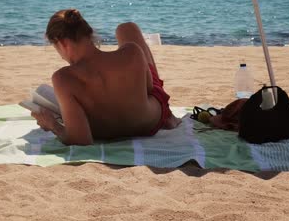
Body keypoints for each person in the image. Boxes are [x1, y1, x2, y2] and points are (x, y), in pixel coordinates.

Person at [31, 9, 181, 145]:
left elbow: (80, 139)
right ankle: (168, 116)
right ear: (90, 34)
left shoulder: (63, 78)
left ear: (63, 43)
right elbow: (150, 88)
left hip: (103, 133)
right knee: (126, 28)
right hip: (148, 124)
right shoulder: (132, 52)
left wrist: (52, 125)